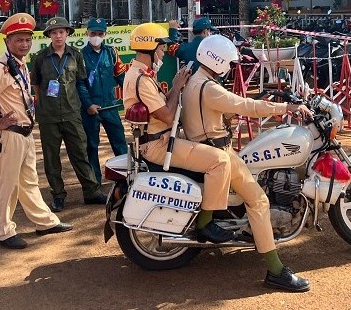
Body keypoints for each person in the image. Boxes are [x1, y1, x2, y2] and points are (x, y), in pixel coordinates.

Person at [181, 34, 313, 292]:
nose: (230, 69)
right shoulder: (210, 89)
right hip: (218, 152)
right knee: (260, 200)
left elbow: (227, 107)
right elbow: (245, 105)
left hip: (214, 146)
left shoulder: (198, 81)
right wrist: (286, 108)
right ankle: (276, 271)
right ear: (217, 61)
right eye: (229, 63)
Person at [123, 23, 236, 245]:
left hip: (160, 138)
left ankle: (217, 206)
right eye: (161, 48)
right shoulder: (141, 79)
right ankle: (205, 224)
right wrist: (177, 86)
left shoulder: (140, 73)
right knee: (220, 161)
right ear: (151, 48)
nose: (163, 52)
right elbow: (166, 115)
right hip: (159, 145)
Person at [0, 13, 72, 249]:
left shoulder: (17, 64)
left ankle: (44, 221)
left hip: (24, 133)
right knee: (9, 185)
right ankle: (4, 231)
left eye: (28, 39)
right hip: (9, 135)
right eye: (19, 40)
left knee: (29, 181)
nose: (24, 44)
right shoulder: (0, 67)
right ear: (7, 41)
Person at [30, 17, 106, 212]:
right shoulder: (40, 57)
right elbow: (36, 84)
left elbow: (80, 82)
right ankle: (58, 195)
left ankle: (92, 192)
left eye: (61, 32)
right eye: (54, 32)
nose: (58, 35)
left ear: (67, 34)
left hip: (72, 113)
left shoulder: (76, 55)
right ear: (49, 35)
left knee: (80, 152)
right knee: (51, 158)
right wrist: (41, 107)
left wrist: (86, 104)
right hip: (49, 116)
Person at [78, 17, 128, 184]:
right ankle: (95, 184)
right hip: (91, 110)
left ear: (105, 34)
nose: (96, 37)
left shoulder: (112, 53)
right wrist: (88, 104)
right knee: (91, 146)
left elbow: (122, 77)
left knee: (120, 143)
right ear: (87, 33)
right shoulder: (80, 56)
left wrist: (131, 96)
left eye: (100, 33)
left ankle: (124, 180)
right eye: (93, 33)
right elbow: (79, 84)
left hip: (110, 107)